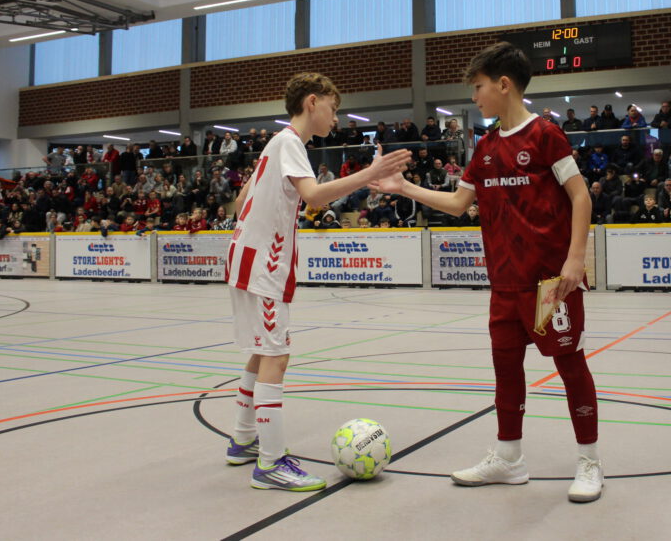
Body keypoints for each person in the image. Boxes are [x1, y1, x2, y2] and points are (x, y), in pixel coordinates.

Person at [375, 42, 602, 502]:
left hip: (549, 284)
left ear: (503, 85)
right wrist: (406, 188)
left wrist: (575, 259)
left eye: (478, 87)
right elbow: (459, 203)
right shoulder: (485, 146)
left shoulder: (546, 135)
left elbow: (581, 196)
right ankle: (509, 458)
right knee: (506, 370)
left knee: (570, 366)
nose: (474, 97)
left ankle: (590, 461)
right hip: (504, 283)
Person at [222, 72, 411, 492]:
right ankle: (271, 463)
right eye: (333, 108)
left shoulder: (275, 144)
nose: (336, 117)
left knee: (262, 350)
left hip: (247, 259)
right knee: (277, 356)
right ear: (312, 102)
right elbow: (313, 196)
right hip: (263, 266)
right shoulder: (290, 142)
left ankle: (244, 438)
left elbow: (240, 201)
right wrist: (370, 172)